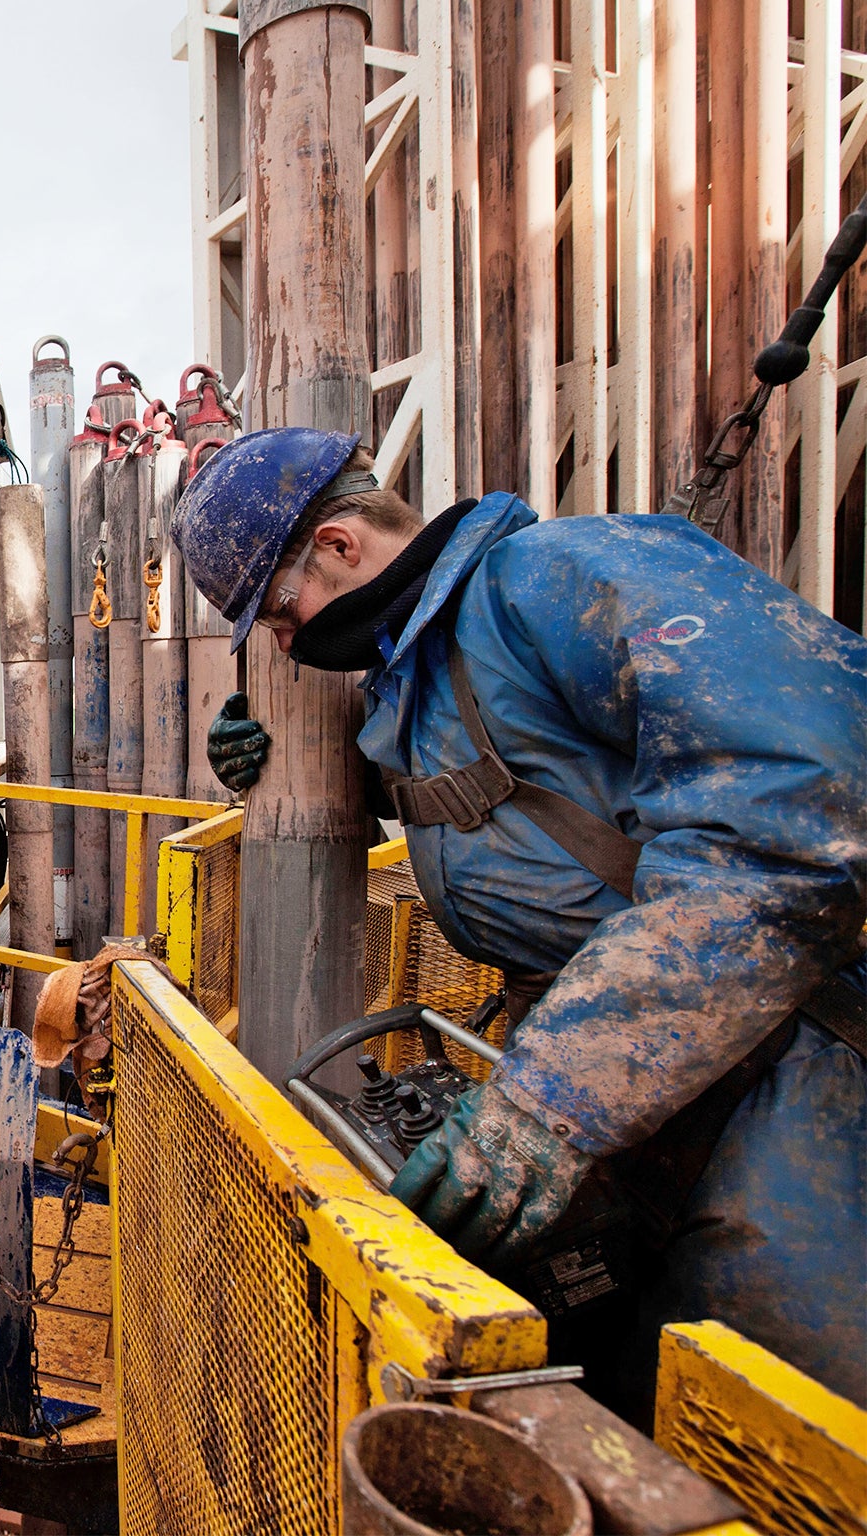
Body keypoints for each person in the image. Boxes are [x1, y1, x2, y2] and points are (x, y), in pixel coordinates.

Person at [176, 426, 867, 1412]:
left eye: (281, 615)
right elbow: (507, 793)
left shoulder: (549, 578)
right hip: (637, 1104)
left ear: (337, 546)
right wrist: (279, 755)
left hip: (781, 1071)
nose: (287, 647)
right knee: (637, 1394)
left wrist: (556, 1094)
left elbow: (806, 795)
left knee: (788, 1416)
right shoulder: (419, 670)